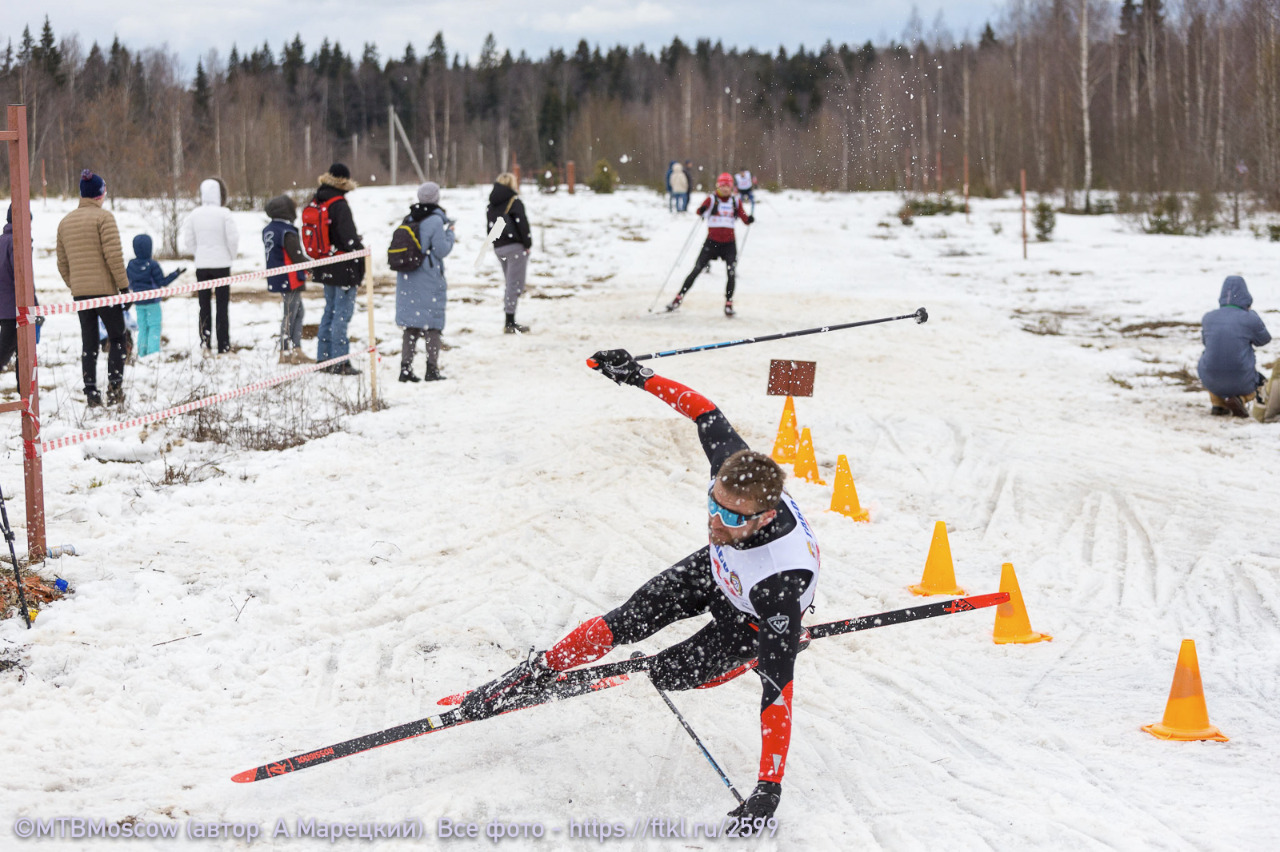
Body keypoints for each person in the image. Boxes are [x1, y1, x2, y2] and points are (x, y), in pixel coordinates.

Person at [460, 349, 819, 821]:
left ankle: (747, 654)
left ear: (766, 516)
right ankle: (539, 668)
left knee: (666, 676)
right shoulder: (734, 474)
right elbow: (704, 411)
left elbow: (778, 690)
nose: (715, 519)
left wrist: (767, 789)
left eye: (730, 516)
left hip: (749, 619)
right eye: (713, 504)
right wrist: (639, 376)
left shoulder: (780, 586)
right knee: (625, 621)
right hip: (718, 571)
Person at [56, 170, 130, 406]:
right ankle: (115, 389)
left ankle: (91, 393)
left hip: (81, 294)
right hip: (106, 292)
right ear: (100, 194)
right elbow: (114, 256)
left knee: (89, 342)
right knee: (118, 337)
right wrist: (124, 288)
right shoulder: (104, 218)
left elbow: (62, 262)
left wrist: (75, 284)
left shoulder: (65, 222)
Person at [666, 172, 754, 317]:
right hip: (712, 242)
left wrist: (749, 219)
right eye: (723, 185)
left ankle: (728, 303)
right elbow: (700, 211)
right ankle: (678, 298)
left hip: (729, 244)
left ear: (732, 186)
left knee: (731, 273)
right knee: (696, 270)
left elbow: (744, 218)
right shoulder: (712, 199)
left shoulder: (735, 201)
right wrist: (702, 210)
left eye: (728, 186)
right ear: (718, 185)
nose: (726, 189)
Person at [306, 163, 365, 375]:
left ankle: (324, 358)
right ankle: (340, 360)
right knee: (341, 313)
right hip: (343, 266)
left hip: (324, 263)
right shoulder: (339, 204)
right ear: (345, 181)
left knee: (329, 311)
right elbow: (348, 238)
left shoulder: (317, 198)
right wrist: (359, 252)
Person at [395, 181, 455, 382]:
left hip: (408, 276)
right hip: (428, 277)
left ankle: (405, 368)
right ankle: (431, 369)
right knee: (432, 323)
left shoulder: (409, 217)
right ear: (436, 198)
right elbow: (441, 250)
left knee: (411, 324)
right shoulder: (436, 221)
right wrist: (450, 232)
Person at [1197, 275, 1270, 418]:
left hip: (1211, 377)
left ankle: (1218, 404)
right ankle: (1241, 400)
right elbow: (1264, 340)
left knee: (1213, 363)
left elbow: (1206, 342)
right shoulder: (1249, 318)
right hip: (1241, 377)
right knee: (1260, 384)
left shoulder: (1209, 317)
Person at [180, 177, 239, 355]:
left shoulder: (194, 214)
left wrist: (198, 254)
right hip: (222, 265)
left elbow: (188, 240)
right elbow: (233, 239)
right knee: (222, 306)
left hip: (202, 265)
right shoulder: (225, 214)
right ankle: (223, 346)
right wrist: (231, 256)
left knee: (203, 305)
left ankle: (205, 344)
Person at [262, 195, 313, 365]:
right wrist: (314, 266)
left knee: (297, 312)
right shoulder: (286, 231)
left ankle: (295, 348)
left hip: (279, 276)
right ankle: (286, 351)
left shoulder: (270, 229)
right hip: (289, 278)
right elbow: (297, 256)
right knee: (290, 314)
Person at [486, 172, 533, 334]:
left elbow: (491, 228)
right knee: (515, 284)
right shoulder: (514, 201)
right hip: (514, 246)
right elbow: (523, 225)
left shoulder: (492, 204)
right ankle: (510, 321)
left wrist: (497, 243)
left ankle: (509, 318)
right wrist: (527, 244)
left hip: (500, 247)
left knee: (510, 283)